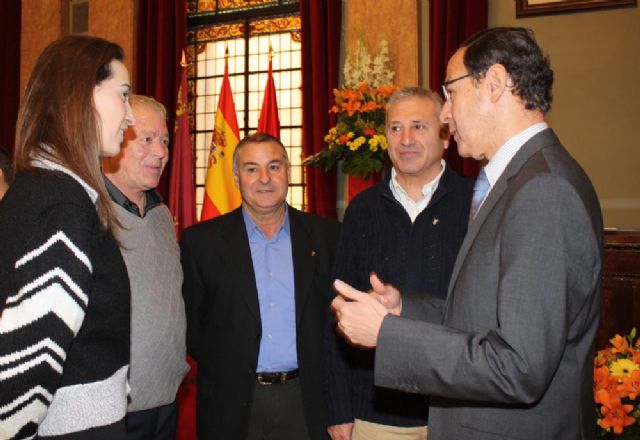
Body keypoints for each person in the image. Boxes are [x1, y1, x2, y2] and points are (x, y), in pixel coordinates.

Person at [332, 27, 603, 440]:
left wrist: (388, 334)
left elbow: (519, 366)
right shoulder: (518, 180)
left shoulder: (543, 190)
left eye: (451, 92)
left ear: (493, 84)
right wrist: (404, 308)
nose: (445, 114)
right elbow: (484, 320)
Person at [0, 36, 135, 439]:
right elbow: (28, 360)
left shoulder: (47, 188)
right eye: (123, 95)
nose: (129, 115)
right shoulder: (61, 202)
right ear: (82, 94)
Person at [325, 87, 473, 440]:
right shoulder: (362, 210)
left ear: (446, 136)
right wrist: (338, 408)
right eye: (395, 128)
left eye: (419, 127)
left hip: (460, 408)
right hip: (378, 414)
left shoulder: (477, 203)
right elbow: (337, 311)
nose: (405, 139)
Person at [181, 132, 340, 440]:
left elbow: (337, 324)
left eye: (274, 167)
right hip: (232, 401)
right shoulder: (201, 242)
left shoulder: (328, 237)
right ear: (236, 177)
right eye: (252, 169)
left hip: (307, 401)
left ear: (289, 173)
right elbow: (193, 328)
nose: (264, 178)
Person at [103, 94, 189, 440]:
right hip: (112, 409)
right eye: (147, 139)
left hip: (165, 399)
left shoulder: (161, 215)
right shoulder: (90, 213)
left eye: (165, 140)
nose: (161, 151)